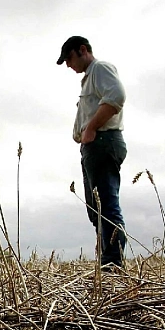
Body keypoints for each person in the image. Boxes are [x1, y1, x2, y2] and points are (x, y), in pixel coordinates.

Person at [57, 36, 127, 270]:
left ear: (83, 50)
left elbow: (117, 96)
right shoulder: (88, 79)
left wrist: (91, 128)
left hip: (103, 142)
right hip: (94, 146)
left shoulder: (100, 69)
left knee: (106, 205)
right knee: (95, 208)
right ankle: (106, 260)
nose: (68, 64)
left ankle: (113, 264)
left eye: (69, 58)